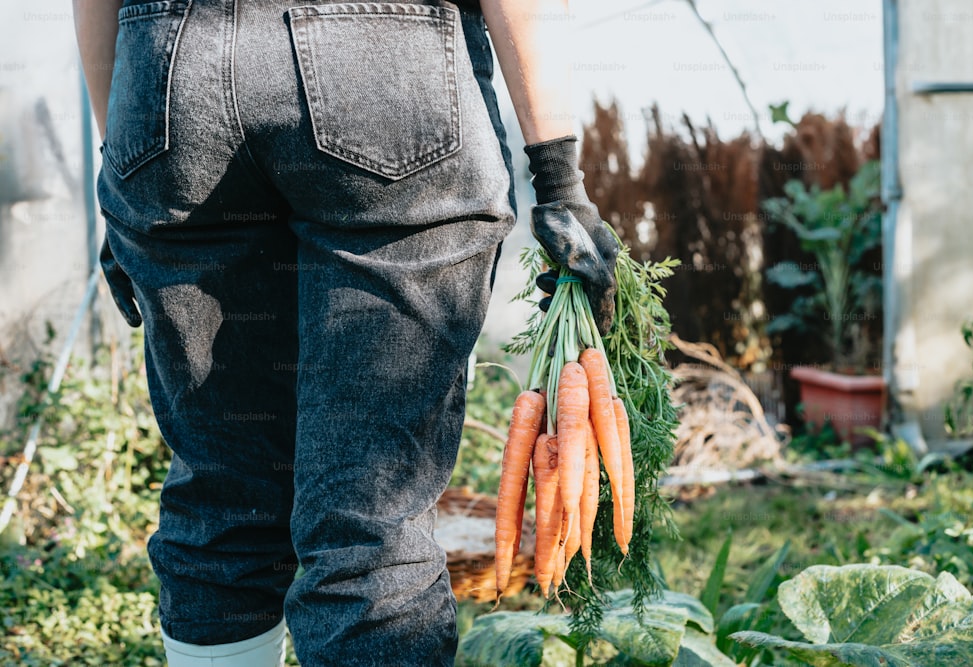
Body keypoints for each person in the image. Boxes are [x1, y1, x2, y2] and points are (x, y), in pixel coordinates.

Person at [72, 0, 617, 665]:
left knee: (224, 500)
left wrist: (122, 170)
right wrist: (559, 178)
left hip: (171, 75)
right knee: (367, 523)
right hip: (384, 68)